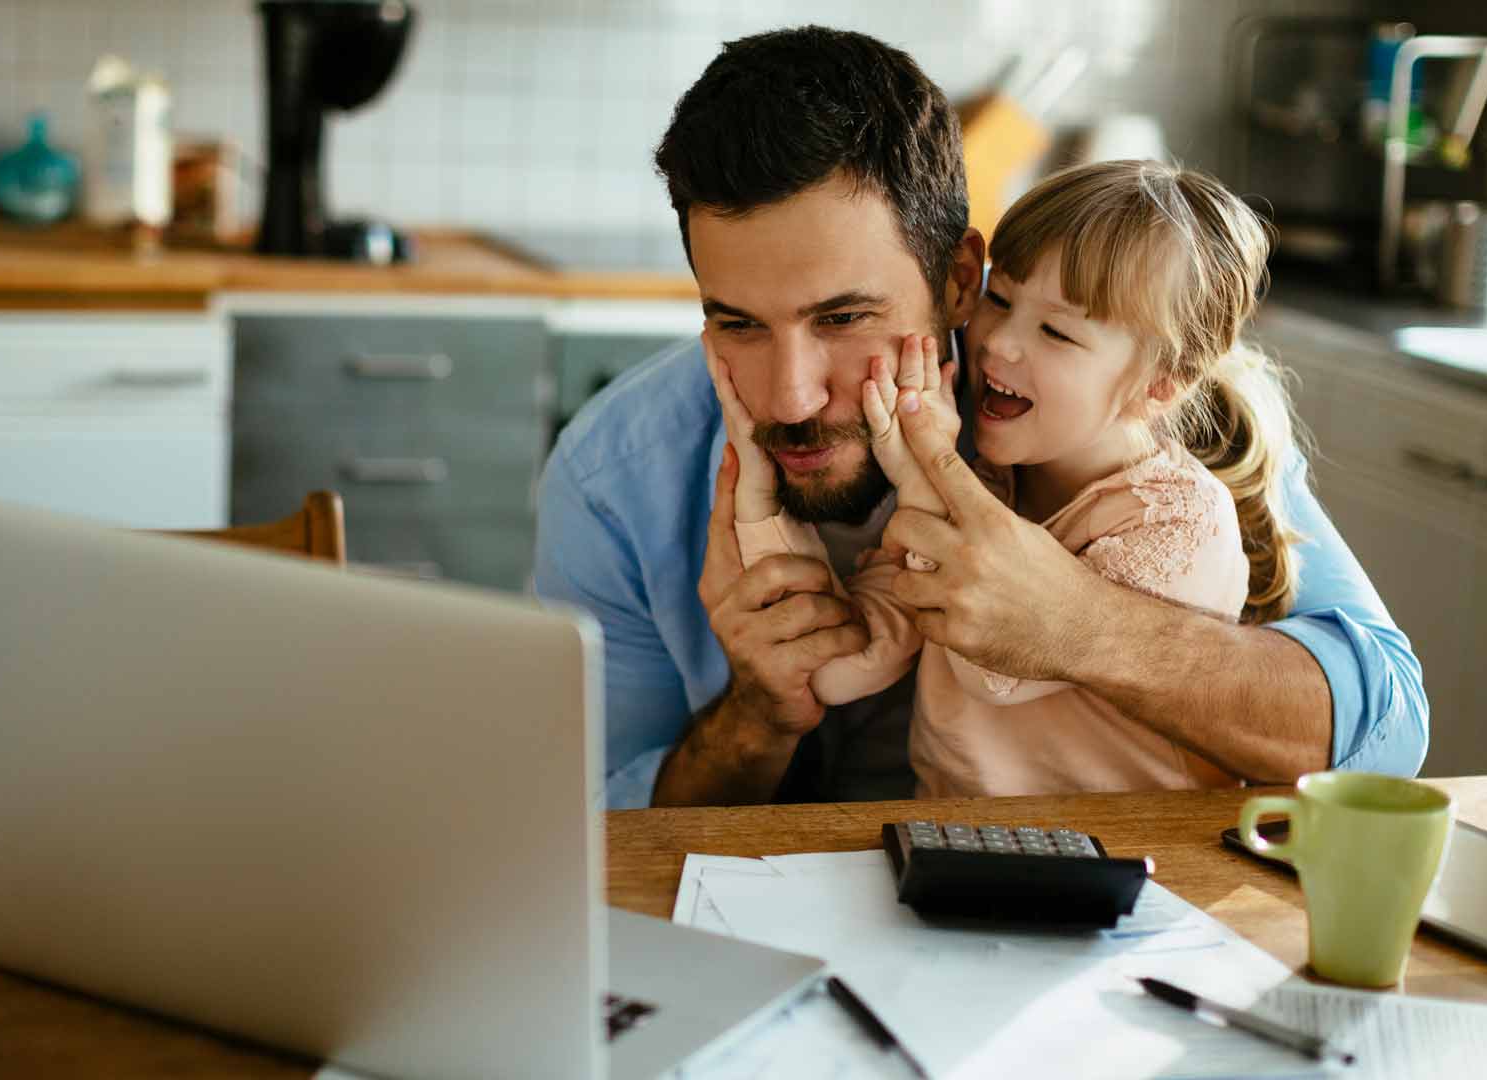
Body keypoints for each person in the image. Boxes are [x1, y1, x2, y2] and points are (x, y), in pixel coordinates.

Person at [532, 26, 1428, 809]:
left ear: (963, 281)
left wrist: (1080, 625)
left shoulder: (1130, 418)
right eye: (737, 323)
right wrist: (759, 713)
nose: (792, 397)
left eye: (845, 319)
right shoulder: (616, 475)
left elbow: (1384, 728)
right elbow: (593, 835)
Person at [718, 158, 1303, 797]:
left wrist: (919, 475)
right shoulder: (992, 481)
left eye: (1056, 330)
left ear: (1159, 385)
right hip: (963, 848)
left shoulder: (1179, 520)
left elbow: (995, 666)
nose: (998, 343)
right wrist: (758, 499)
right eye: (1001, 299)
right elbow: (841, 672)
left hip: (1134, 864)